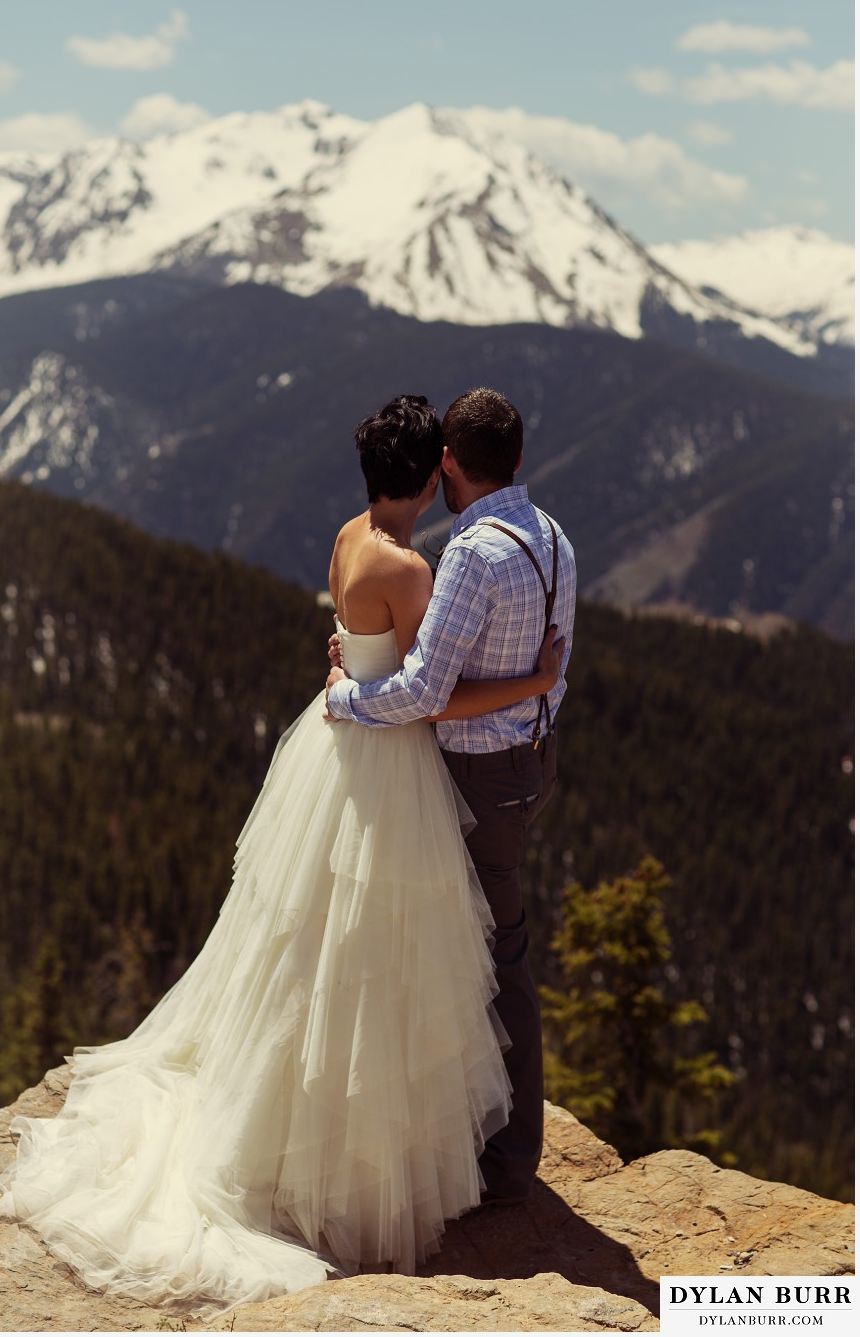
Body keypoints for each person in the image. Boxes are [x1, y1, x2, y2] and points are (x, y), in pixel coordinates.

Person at [0, 394, 563, 1316]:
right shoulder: (416, 568)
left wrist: (344, 671)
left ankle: (293, 1112)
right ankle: (375, 1142)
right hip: (390, 762)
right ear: (430, 476)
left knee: (311, 939)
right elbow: (424, 695)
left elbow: (363, 647)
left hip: (336, 754)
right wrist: (538, 679)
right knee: (385, 948)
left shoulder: (348, 537)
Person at [327, 387, 577, 1207]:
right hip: (530, 764)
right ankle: (470, 1127)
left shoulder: (468, 556)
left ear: (448, 464)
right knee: (472, 946)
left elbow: (427, 689)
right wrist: (540, 683)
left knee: (491, 953)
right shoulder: (552, 539)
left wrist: (347, 694)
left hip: (477, 777)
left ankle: (505, 1153)